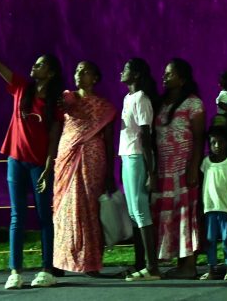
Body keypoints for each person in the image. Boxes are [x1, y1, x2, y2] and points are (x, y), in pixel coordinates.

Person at [0, 15, 64, 290]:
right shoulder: (22, 87)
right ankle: (15, 271)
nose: (34, 66)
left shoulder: (54, 103)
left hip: (39, 165)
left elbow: (54, 138)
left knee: (44, 216)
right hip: (16, 160)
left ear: (51, 73)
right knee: (17, 216)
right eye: (35, 63)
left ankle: (47, 270)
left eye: (41, 65)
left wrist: (48, 168)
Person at [53, 61, 116, 276]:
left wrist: (110, 172)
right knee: (65, 207)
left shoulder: (104, 107)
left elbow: (109, 140)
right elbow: (57, 122)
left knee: (89, 208)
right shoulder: (67, 99)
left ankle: (90, 262)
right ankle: (61, 262)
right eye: (77, 70)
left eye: (85, 71)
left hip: (93, 160)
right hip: (67, 157)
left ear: (95, 78)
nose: (79, 74)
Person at [154, 58, 205, 278]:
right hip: (164, 169)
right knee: (170, 214)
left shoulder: (193, 103)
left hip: (184, 167)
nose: (165, 77)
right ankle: (180, 263)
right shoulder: (161, 103)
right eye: (165, 73)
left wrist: (194, 166)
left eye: (170, 73)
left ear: (182, 79)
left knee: (186, 214)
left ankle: (189, 265)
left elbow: (199, 138)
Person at [118, 58, 161, 281]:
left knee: (141, 209)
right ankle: (141, 264)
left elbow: (145, 135)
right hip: (127, 156)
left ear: (136, 74)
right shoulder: (128, 98)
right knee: (133, 212)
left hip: (137, 157)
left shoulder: (142, 98)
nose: (121, 72)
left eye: (126, 69)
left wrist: (151, 172)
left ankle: (152, 267)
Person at [200, 125, 227, 281]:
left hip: (226, 208)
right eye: (213, 143)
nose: (217, 146)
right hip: (210, 208)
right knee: (210, 240)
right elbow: (202, 185)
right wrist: (201, 207)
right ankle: (211, 269)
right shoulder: (206, 163)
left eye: (220, 142)